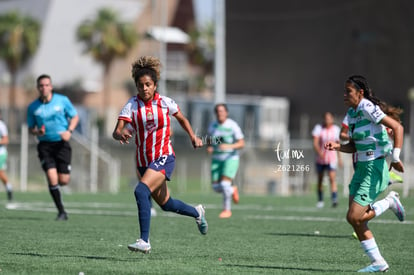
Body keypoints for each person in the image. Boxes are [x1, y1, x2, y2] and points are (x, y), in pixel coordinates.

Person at [112, 56, 208, 254]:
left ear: (155, 85)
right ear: (136, 87)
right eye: (140, 85)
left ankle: (144, 241)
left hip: (164, 156)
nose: (144, 88)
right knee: (166, 204)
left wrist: (193, 137)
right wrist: (120, 134)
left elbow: (182, 119)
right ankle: (197, 212)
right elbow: (116, 130)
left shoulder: (165, 102)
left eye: (148, 84)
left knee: (140, 191)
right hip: (143, 161)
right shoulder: (131, 105)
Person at [324, 75, 405, 273]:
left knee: (354, 216)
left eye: (348, 91)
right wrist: (338, 147)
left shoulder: (367, 107)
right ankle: (379, 263)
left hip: (373, 168)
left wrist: (395, 157)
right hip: (361, 168)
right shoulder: (352, 114)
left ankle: (390, 202)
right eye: (344, 91)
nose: (344, 95)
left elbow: (398, 127)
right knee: (354, 219)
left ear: (360, 93)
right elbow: (354, 146)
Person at [27, 74, 79, 221]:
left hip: (62, 145)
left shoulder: (62, 101)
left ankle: (60, 185)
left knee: (63, 181)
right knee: (52, 178)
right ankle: (61, 212)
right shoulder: (32, 107)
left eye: (46, 85)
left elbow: (75, 117)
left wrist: (69, 131)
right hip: (44, 146)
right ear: (38, 88)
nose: (44, 88)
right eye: (41, 86)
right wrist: (37, 132)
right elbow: (31, 128)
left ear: (51, 86)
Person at [207, 103, 244, 218]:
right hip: (216, 159)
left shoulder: (233, 126)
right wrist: (210, 146)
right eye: (218, 111)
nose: (220, 113)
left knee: (224, 184)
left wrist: (228, 146)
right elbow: (210, 140)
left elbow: (241, 143)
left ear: (226, 112)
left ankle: (227, 210)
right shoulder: (212, 126)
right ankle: (232, 190)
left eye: (222, 111)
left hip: (230, 158)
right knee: (216, 188)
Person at [311, 112, 341, 208]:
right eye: (326, 118)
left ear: (332, 119)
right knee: (320, 180)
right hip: (320, 159)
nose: (327, 120)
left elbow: (338, 145)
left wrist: (339, 158)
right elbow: (315, 143)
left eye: (329, 118)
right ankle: (320, 200)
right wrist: (320, 153)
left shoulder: (336, 129)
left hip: (331, 159)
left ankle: (334, 199)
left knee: (332, 178)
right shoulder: (319, 128)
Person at [0, 115, 13, 203]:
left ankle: (9, 188)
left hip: (1, 153)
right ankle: (9, 187)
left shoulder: (1, 125)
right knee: (1, 174)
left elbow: (6, 140)